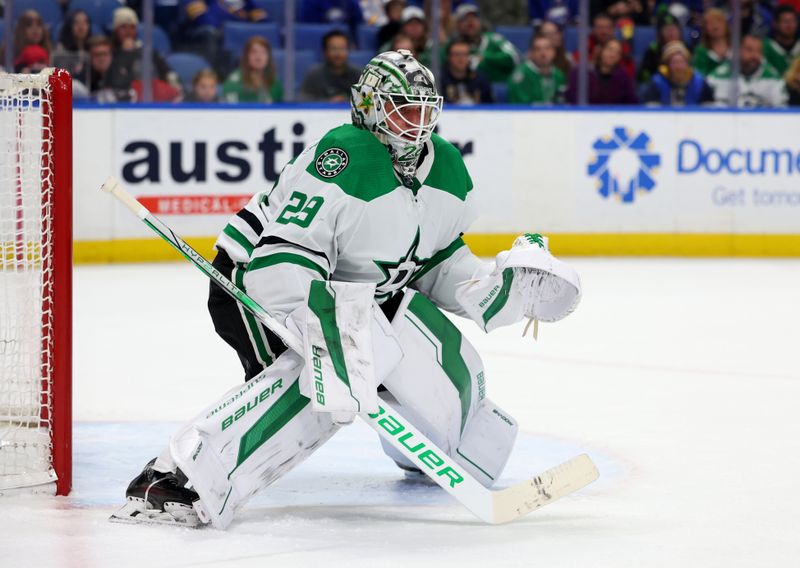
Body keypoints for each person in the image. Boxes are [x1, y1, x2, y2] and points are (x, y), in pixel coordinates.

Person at [112, 49, 582, 529]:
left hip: (354, 294)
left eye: (424, 108)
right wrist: (324, 336)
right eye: (403, 107)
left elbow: (435, 261)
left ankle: (439, 448)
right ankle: (178, 478)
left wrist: (496, 290)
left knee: (419, 340)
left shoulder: (445, 166)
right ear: (371, 107)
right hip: (256, 281)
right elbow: (283, 256)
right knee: (323, 385)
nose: (416, 122)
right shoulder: (344, 156)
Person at [110, 7, 181, 102]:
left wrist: (175, 85)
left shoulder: (147, 52)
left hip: (151, 100)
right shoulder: (109, 52)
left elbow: (167, 73)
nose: (128, 32)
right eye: (123, 27)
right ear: (115, 30)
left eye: (132, 27)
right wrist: (125, 53)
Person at [708, 34, 788, 107]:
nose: (755, 55)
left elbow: (781, 111)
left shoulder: (774, 78)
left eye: (758, 51)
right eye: (749, 50)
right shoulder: (716, 78)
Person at [451, 4, 519, 83]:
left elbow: (514, 58)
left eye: (474, 17)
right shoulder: (454, 47)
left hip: (501, 87)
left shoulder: (494, 39)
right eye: (465, 19)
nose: (470, 22)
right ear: (457, 25)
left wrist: (486, 57)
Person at [565, 38, 638, 104]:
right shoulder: (579, 73)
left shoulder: (622, 77)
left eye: (618, 53)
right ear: (600, 50)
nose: (613, 55)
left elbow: (633, 102)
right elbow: (572, 99)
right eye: (610, 50)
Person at [641, 41, 713, 106]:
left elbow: (708, 106)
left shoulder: (699, 83)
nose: (678, 67)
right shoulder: (657, 83)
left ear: (687, 64)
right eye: (674, 63)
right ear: (667, 65)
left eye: (681, 62)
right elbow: (649, 106)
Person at [299, 30, 362, 102]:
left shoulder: (358, 75)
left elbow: (366, 100)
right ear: (325, 51)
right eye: (333, 48)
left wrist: (346, 100)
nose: (338, 53)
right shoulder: (314, 74)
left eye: (342, 48)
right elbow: (303, 99)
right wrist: (328, 102)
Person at [508, 34, 566, 104]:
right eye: (538, 49)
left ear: (554, 52)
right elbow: (520, 108)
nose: (543, 53)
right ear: (531, 53)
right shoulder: (521, 75)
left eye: (547, 48)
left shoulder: (558, 75)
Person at [223, 36, 283, 103]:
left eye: (263, 52)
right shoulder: (234, 81)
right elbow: (230, 108)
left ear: (269, 57)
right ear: (247, 56)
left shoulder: (275, 82)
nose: (259, 56)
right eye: (254, 52)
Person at [440, 38, 494, 104]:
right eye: (456, 55)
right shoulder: (439, 80)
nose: (461, 59)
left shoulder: (480, 79)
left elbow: (491, 107)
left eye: (465, 54)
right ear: (448, 57)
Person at [636, 12, 683, 85]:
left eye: (673, 29)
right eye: (667, 29)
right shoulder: (653, 50)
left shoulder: (686, 48)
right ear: (660, 33)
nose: (671, 33)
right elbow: (643, 76)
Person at [52, 10, 93, 87]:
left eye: (85, 22)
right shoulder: (61, 49)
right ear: (69, 26)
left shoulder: (93, 48)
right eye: (76, 23)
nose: (81, 26)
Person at [692, 8, 730, 77]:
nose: (715, 26)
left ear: (726, 25)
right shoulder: (701, 52)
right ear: (705, 29)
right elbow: (699, 76)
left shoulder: (738, 48)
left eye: (719, 21)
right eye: (710, 23)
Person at [763, 5, 800, 75]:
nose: (789, 25)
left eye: (793, 21)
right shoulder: (765, 47)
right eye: (785, 21)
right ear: (775, 24)